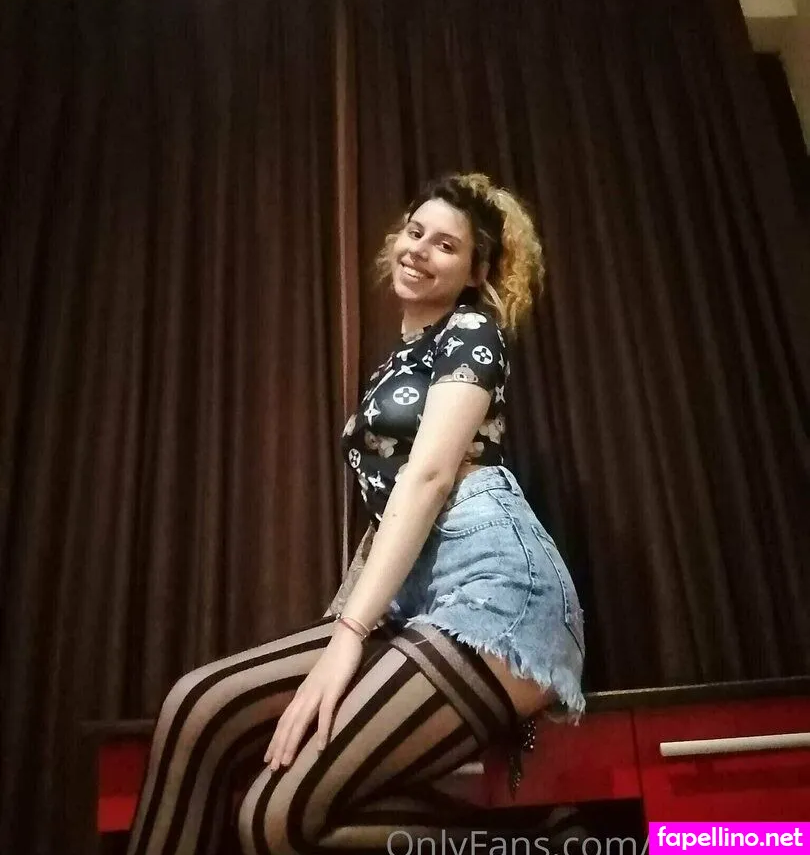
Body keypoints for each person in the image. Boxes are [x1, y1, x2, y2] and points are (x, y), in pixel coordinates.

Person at [126, 173, 585, 855]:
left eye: (446, 244)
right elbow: (388, 514)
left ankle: (546, 841)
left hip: (495, 595)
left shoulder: (472, 330)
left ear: (475, 272)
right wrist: (344, 618)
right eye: (416, 231)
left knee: (273, 819)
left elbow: (428, 479)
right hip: (414, 600)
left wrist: (348, 635)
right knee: (199, 707)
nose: (420, 248)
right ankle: (537, 836)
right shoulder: (397, 363)